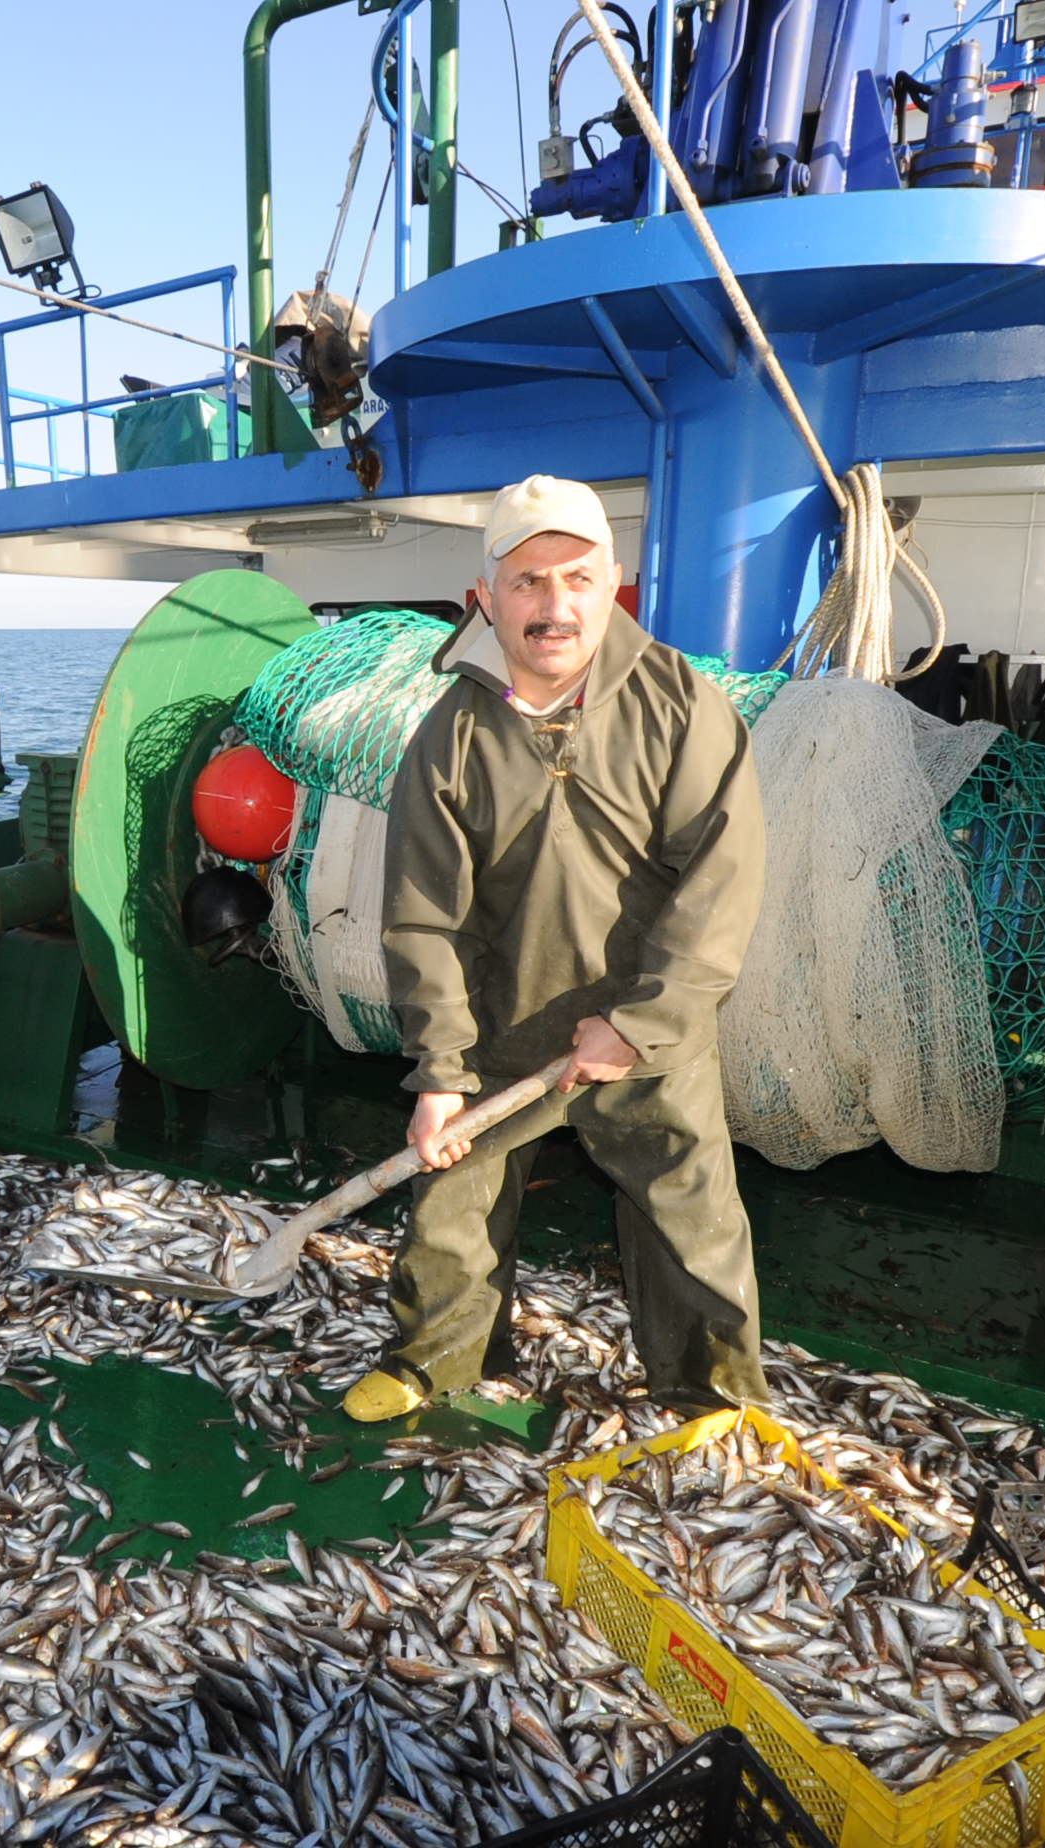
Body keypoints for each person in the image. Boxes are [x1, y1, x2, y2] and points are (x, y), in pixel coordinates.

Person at [344, 476, 772, 1422]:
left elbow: (721, 882)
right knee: (452, 1211)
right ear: (487, 599)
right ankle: (433, 1360)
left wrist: (641, 1023)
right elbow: (423, 918)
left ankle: (710, 1392)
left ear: (611, 582)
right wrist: (443, 1072)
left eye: (576, 578)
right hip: (506, 1024)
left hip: (649, 1026)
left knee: (689, 1218)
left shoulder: (682, 707)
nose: (553, 606)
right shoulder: (447, 738)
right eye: (528, 582)